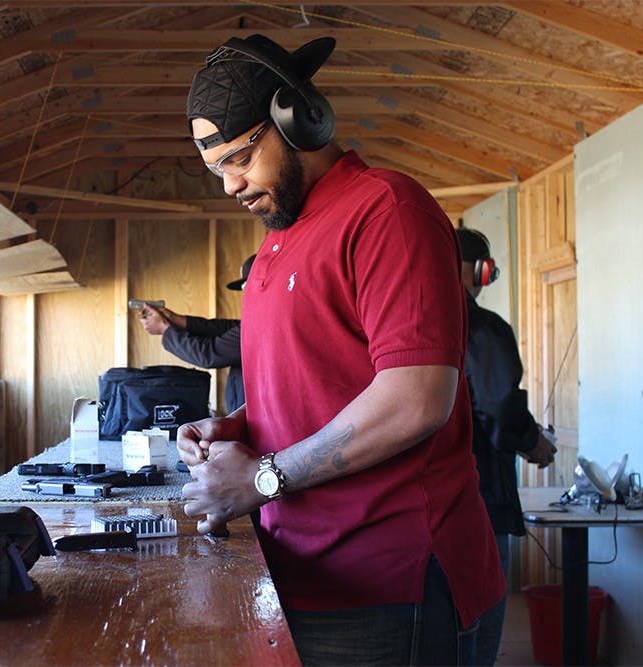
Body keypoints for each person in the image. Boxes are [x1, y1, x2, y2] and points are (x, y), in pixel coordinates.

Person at [177, 33, 504, 666]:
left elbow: (415, 400)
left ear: (298, 119)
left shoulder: (385, 210)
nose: (230, 185)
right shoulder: (276, 242)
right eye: (217, 168)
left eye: (241, 156)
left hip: (393, 586)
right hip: (304, 573)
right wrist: (231, 429)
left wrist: (263, 477)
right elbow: (309, 389)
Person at [456, 227, 557, 666]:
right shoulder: (482, 327)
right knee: (479, 630)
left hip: (416, 508)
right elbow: (498, 403)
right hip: (480, 499)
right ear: (480, 271)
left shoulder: (406, 319)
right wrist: (532, 442)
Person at [139, 255, 255, 414]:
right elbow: (224, 328)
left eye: (246, 285)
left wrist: (165, 329)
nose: (245, 293)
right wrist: (173, 319)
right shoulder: (258, 320)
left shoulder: (261, 324)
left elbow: (208, 354)